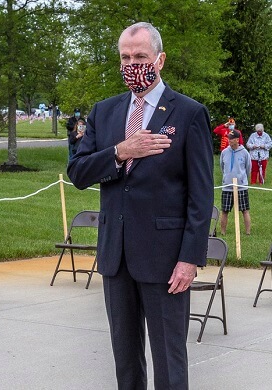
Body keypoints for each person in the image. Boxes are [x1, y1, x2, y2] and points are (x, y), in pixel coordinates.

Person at [68, 22, 213, 389]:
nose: (133, 64)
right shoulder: (104, 112)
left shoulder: (188, 113)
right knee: (126, 363)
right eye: (126, 57)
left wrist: (190, 259)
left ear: (159, 60)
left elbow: (201, 195)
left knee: (169, 362)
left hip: (166, 261)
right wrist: (120, 152)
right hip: (116, 257)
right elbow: (79, 172)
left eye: (141, 56)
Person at [220, 130, 251, 235]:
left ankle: (247, 232)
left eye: (231, 139)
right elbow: (222, 167)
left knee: (245, 210)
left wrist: (242, 179)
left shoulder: (244, 152)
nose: (229, 140)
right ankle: (223, 232)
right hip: (227, 186)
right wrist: (226, 178)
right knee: (224, 210)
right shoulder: (224, 152)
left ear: (237, 140)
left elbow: (248, 168)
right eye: (229, 138)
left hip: (241, 186)